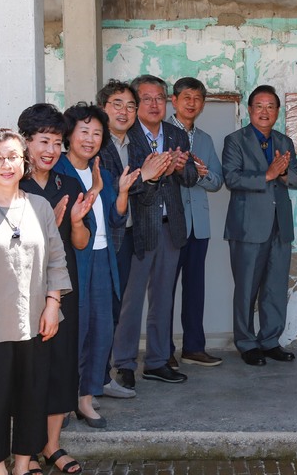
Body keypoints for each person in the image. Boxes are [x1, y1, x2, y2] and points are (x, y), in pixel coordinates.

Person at [0, 128, 71, 475]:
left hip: (34, 322)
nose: (6, 164)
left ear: (23, 162)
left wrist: (53, 303)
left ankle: (24, 464)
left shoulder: (39, 206)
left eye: (13, 156)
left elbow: (56, 258)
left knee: (31, 397)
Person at [18, 104, 93, 474]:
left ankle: (52, 446)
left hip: (64, 288)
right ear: (26, 142)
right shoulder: (11, 184)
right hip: (23, 291)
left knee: (62, 366)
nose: (51, 149)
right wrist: (47, 229)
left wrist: (75, 222)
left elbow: (80, 243)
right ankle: (25, 451)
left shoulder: (69, 183)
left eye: (58, 142)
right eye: (43, 141)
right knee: (29, 369)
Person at [56, 103, 139, 428]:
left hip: (104, 260)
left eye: (96, 133)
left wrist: (120, 192)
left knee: (101, 332)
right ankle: (61, 401)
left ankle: (85, 400)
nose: (90, 139)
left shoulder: (102, 172)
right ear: (70, 135)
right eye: (84, 132)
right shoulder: (59, 173)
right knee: (71, 335)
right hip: (74, 263)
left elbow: (117, 219)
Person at [111, 74, 197, 387]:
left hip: (170, 226)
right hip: (137, 227)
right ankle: (123, 363)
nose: (154, 104)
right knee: (132, 299)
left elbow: (189, 176)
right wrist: (156, 172)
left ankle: (158, 361)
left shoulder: (176, 133)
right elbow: (127, 181)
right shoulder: (125, 135)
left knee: (163, 297)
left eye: (159, 98)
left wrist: (178, 167)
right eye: (146, 98)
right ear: (136, 104)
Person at [223, 84, 297, 366]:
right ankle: (246, 343)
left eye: (271, 106)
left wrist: (282, 175)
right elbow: (231, 179)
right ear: (249, 109)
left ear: (278, 112)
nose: (265, 111)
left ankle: (270, 340)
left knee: (275, 287)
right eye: (259, 106)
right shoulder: (235, 140)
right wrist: (268, 174)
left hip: (280, 227)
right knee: (246, 288)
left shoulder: (284, 142)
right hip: (247, 228)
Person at [167, 77, 224, 367]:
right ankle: (163, 351)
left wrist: (201, 174)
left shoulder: (204, 139)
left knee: (194, 289)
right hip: (169, 224)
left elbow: (217, 182)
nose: (192, 103)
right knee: (164, 290)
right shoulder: (161, 133)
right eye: (186, 97)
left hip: (198, 226)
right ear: (173, 101)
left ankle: (193, 347)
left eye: (198, 98)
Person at [97, 79, 140, 399]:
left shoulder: (135, 146)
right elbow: (112, 190)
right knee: (98, 309)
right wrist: (146, 179)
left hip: (126, 236)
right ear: (103, 109)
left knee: (115, 308)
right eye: (117, 104)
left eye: (130, 106)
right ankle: (90, 380)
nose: (124, 111)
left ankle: (101, 376)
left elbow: (139, 188)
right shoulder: (97, 145)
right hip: (99, 237)